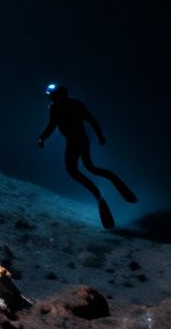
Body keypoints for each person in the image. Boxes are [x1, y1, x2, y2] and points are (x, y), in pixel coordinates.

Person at [39, 83, 137, 229]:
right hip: (75, 140)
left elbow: (91, 120)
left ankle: (103, 188)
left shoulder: (72, 105)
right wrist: (42, 138)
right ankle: (103, 189)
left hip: (79, 140)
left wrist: (100, 135)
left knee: (83, 168)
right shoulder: (56, 108)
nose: (53, 99)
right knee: (85, 168)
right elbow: (52, 125)